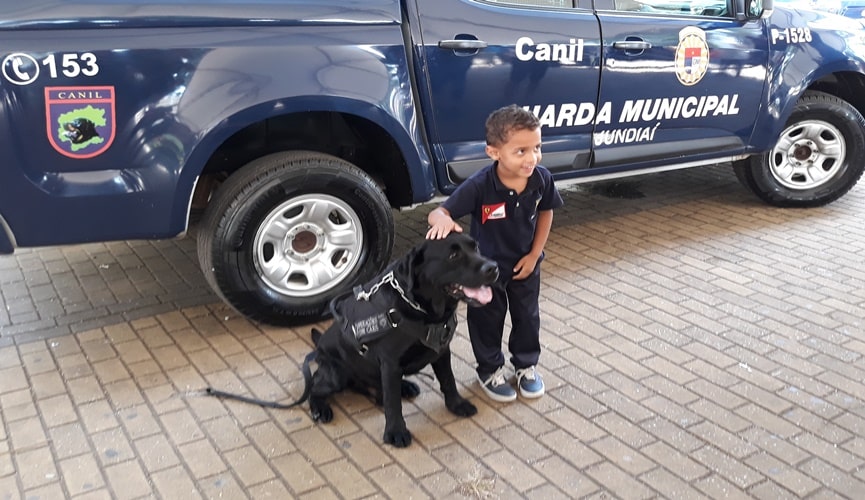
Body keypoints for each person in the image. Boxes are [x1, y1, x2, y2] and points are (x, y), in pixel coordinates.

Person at [426, 104, 563, 402]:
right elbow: (439, 212)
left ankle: (526, 365)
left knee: (527, 317)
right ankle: (489, 369)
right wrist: (443, 221)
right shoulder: (479, 185)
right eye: (521, 151)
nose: (532, 158)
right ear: (494, 152)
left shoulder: (542, 179)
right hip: (485, 273)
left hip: (525, 267)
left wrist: (534, 254)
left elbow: (546, 213)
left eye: (537, 147)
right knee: (487, 319)